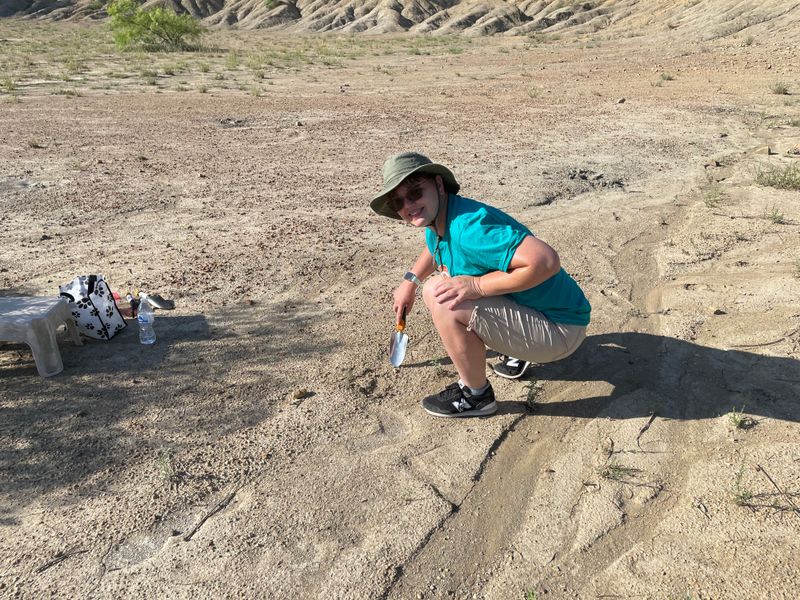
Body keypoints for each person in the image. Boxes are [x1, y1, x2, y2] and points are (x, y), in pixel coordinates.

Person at [370, 152, 591, 418]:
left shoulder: (469, 230)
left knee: (442, 296)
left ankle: (476, 396)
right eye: (398, 201)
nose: (408, 205)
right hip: (552, 313)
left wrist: (475, 286)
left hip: (560, 331)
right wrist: (410, 282)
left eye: (415, 193)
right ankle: (515, 348)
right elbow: (436, 245)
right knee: (442, 285)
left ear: (439, 185)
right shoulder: (445, 215)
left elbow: (545, 261)